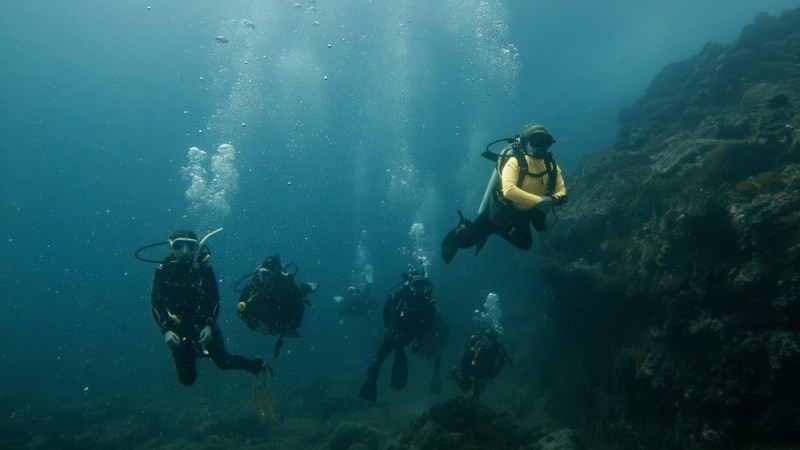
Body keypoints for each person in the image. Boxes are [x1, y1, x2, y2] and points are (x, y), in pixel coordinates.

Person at [150, 229, 267, 386]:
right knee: (187, 379)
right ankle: (191, 350)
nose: (184, 252)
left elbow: (214, 300)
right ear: (171, 247)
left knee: (224, 363)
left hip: (203, 322)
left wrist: (209, 325)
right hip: (176, 325)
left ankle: (257, 366)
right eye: (179, 246)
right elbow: (156, 304)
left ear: (197, 248)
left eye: (190, 247)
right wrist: (166, 330)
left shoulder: (204, 270)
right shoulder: (163, 271)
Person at [441, 123, 568, 263]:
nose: (541, 146)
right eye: (536, 140)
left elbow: (561, 190)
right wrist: (540, 200)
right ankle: (463, 226)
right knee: (464, 242)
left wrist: (554, 199)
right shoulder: (515, 161)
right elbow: (509, 190)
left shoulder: (552, 166)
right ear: (526, 142)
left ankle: (500, 230)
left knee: (526, 245)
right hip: (499, 212)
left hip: (523, 214)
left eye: (546, 141)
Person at [358, 267, 437, 402]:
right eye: (416, 284)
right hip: (397, 333)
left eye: (422, 285)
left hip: (402, 334)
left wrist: (417, 340)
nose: (419, 288)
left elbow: (427, 324)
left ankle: (372, 381)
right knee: (381, 357)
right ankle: (372, 383)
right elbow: (388, 311)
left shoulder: (424, 301)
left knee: (381, 356)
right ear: (411, 284)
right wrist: (392, 330)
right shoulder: (404, 296)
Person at [236, 255, 317, 357]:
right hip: (266, 320)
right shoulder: (254, 286)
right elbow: (240, 311)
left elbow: (295, 311)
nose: (265, 280)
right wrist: (254, 322)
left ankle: (305, 288)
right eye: (263, 275)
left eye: (268, 275)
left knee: (295, 315)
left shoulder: (284, 283)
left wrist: (301, 294)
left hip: (280, 317)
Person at [450, 328, 509, 401]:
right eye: (490, 337)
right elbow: (466, 358)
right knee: (466, 388)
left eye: (494, 338)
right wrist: (465, 372)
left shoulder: (496, 347)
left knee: (476, 394)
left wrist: (491, 376)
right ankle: (455, 373)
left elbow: (501, 363)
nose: (491, 341)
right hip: (472, 369)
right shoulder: (479, 344)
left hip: (484, 374)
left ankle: (472, 404)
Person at [413, 311, 450, 394]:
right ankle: (434, 381)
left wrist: (441, 342)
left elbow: (445, 329)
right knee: (433, 361)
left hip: (432, 341)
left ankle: (435, 383)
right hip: (429, 340)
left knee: (436, 364)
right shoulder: (434, 315)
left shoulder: (435, 315)